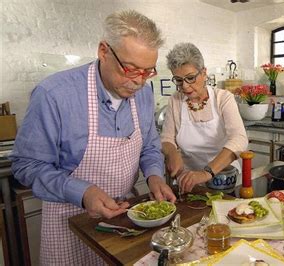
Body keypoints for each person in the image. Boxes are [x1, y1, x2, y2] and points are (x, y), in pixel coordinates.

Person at [10, 10, 175, 265]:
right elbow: (27, 166)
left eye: (147, 72)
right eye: (131, 70)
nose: (138, 83)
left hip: (123, 218)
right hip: (68, 221)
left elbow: (150, 146)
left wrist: (154, 175)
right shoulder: (54, 94)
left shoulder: (143, 95)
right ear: (103, 51)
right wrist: (83, 192)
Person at [161, 43, 248, 193]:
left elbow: (239, 139)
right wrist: (172, 153)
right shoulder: (175, 101)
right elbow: (167, 139)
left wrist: (206, 173)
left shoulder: (223, 98)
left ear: (204, 73)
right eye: (179, 80)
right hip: (189, 181)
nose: (185, 87)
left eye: (190, 78)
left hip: (224, 178)